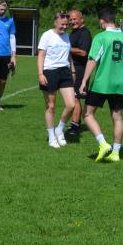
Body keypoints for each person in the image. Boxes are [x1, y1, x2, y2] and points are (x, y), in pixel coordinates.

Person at [79, 6, 123, 163]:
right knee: (117, 117)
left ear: (102, 21)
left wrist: (84, 80)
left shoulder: (100, 37)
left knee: (87, 114)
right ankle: (115, 153)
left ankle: (103, 144)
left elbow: (93, 60)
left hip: (101, 83)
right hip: (119, 85)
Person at [37, 11, 76, 148]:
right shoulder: (47, 35)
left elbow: (69, 55)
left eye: (66, 25)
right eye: (62, 24)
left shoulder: (66, 36)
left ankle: (59, 129)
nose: (64, 27)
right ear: (55, 22)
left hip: (65, 71)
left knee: (71, 105)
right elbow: (41, 56)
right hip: (50, 72)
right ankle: (52, 136)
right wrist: (40, 74)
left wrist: (72, 70)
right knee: (51, 106)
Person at [67, 9, 93, 137]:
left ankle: (75, 127)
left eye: (75, 19)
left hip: (80, 70)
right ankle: (75, 123)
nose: (72, 21)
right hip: (72, 69)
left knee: (76, 98)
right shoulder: (73, 33)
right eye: (70, 19)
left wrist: (66, 48)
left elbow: (83, 52)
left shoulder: (84, 33)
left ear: (81, 19)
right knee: (73, 97)